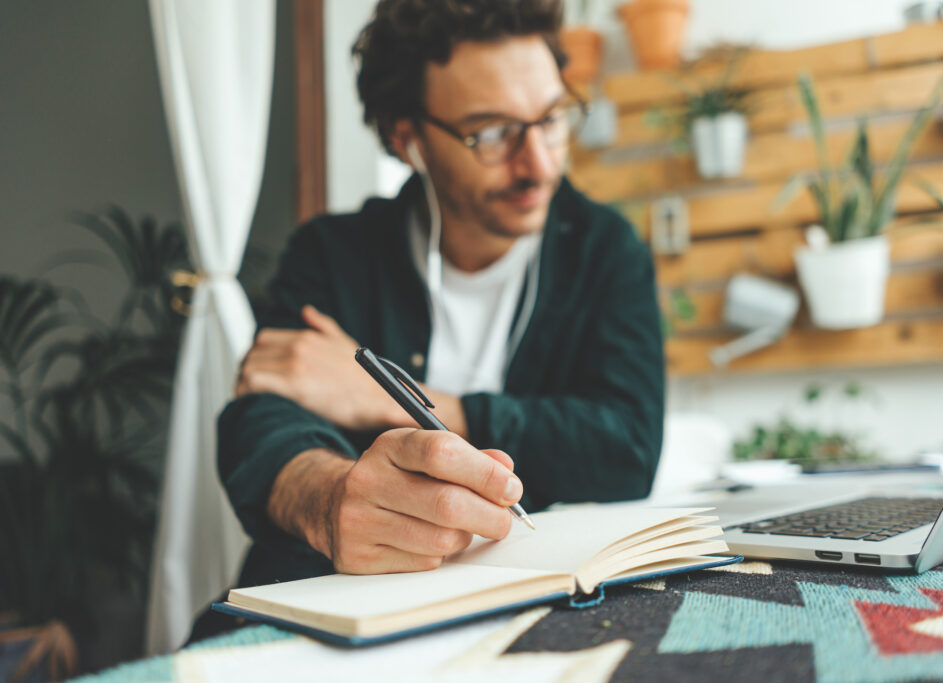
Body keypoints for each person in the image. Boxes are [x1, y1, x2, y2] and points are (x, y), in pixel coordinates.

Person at [219, 0, 665, 588]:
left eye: (552, 118)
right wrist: (330, 502)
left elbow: (626, 448)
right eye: (493, 133)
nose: (537, 165)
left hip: (538, 590)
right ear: (410, 140)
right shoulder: (332, 254)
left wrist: (405, 400)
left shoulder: (606, 249)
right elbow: (258, 420)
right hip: (335, 589)